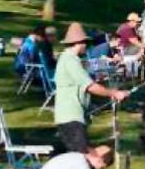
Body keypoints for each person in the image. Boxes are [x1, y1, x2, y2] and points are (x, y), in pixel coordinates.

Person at [54, 23, 130, 154]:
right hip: (71, 116)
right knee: (81, 156)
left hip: (73, 116)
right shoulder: (70, 61)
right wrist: (115, 93)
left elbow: (83, 82)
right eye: (86, 43)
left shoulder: (71, 59)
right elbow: (90, 87)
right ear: (79, 43)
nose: (87, 46)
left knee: (77, 155)